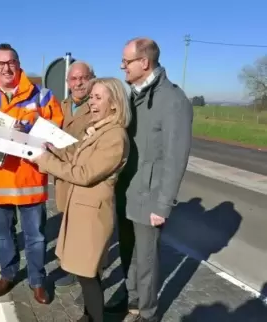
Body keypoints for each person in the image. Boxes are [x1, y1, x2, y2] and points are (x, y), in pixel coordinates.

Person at [0, 43, 63, 304]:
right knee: (3, 234)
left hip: (29, 181)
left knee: (36, 236)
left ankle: (37, 281)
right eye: (0, 63)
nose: (6, 68)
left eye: (11, 62)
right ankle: (8, 274)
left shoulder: (42, 96)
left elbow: (56, 128)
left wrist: (25, 131)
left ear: (19, 64)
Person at [32, 77, 131, 322]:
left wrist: (45, 161)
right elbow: (76, 158)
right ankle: (88, 316)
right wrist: (52, 148)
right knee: (88, 272)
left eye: (98, 98)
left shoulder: (115, 137)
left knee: (88, 276)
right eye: (91, 98)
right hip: (82, 211)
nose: (92, 103)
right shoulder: (99, 131)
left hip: (93, 215)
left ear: (115, 105)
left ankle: (95, 318)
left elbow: (83, 174)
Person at [119, 38, 193, 322]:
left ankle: (147, 314)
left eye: (126, 61)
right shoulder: (134, 95)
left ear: (144, 63)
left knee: (147, 259)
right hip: (127, 190)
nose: (122, 66)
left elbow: (176, 159)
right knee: (132, 255)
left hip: (150, 196)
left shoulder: (173, 101)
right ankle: (133, 303)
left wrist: (163, 205)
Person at [54, 61, 95, 288]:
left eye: (83, 78)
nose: (79, 83)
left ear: (92, 78)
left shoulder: (100, 105)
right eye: (74, 79)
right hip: (63, 176)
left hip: (84, 176)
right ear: (68, 82)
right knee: (66, 225)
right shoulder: (63, 105)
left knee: (86, 231)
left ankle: (89, 280)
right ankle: (69, 268)